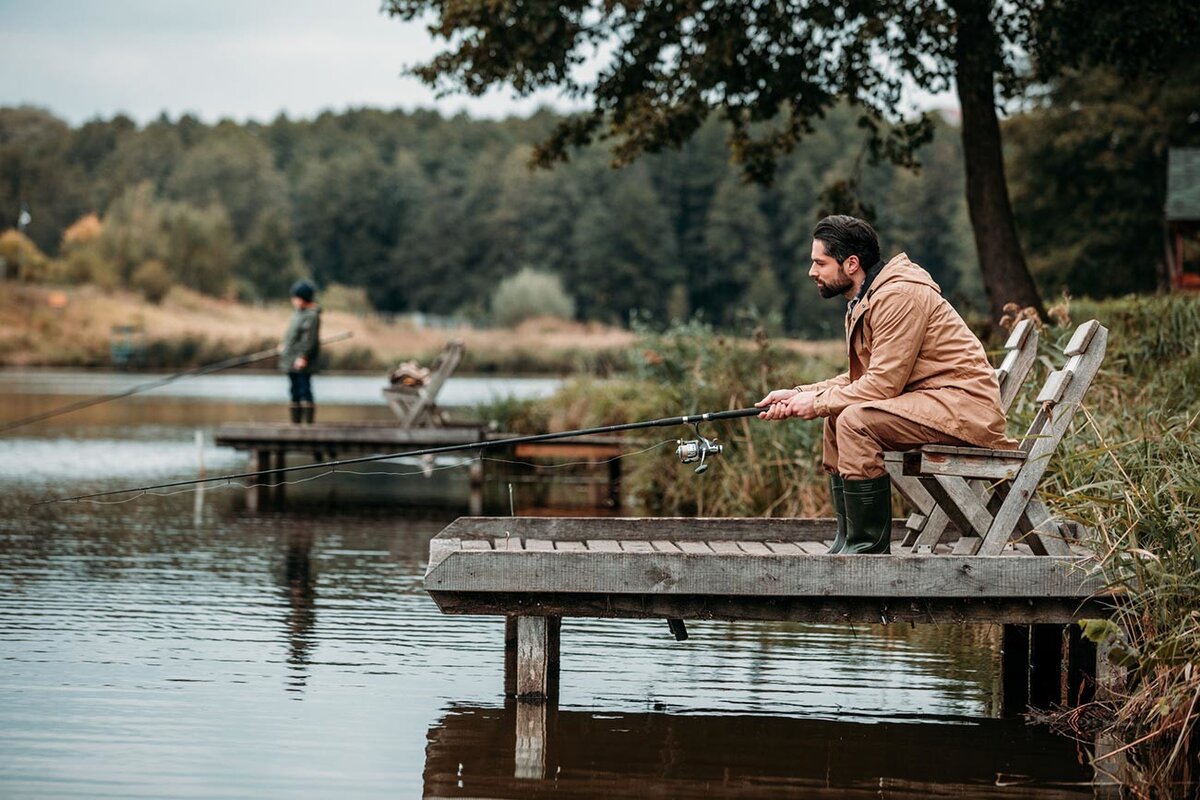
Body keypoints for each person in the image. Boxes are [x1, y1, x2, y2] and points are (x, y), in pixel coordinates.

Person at [756, 215, 1014, 555]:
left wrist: (817, 403)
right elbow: (863, 379)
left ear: (851, 264)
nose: (812, 271)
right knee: (837, 417)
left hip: (964, 408)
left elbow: (881, 387)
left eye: (820, 262)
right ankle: (847, 540)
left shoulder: (899, 297)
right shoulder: (867, 298)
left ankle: (867, 550)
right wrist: (803, 394)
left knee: (853, 419)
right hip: (931, 402)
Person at [279, 280, 321, 424]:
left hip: (302, 361)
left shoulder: (312, 316)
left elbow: (309, 340)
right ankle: (295, 424)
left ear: (303, 298)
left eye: (296, 297)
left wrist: (303, 357)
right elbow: (293, 335)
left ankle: (308, 425)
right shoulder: (297, 314)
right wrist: (284, 345)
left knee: (304, 390)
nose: (293, 300)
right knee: (294, 391)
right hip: (290, 360)